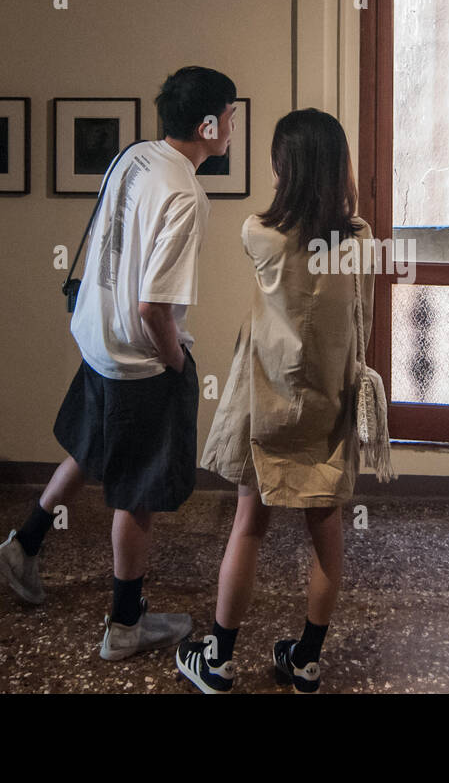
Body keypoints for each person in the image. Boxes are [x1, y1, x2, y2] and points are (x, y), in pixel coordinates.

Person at [0, 66, 237, 661]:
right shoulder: (186, 195)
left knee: (92, 446)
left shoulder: (135, 156)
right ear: (206, 124)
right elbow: (154, 307)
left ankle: (23, 547)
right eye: (229, 115)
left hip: (96, 336)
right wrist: (176, 363)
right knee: (138, 491)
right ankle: (126, 624)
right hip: (136, 356)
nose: (232, 126)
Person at [176, 107, 374, 694]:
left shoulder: (258, 232)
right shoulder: (359, 241)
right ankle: (306, 659)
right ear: (338, 167)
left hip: (268, 400)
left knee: (248, 527)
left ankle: (217, 659)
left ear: (283, 168)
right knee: (326, 530)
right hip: (325, 408)